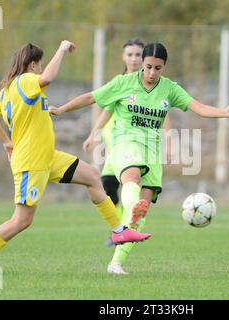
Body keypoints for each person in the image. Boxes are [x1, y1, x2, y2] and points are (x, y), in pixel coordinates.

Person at [49, 42, 229, 274]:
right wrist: (61, 109)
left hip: (153, 152)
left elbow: (198, 108)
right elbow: (91, 98)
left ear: (164, 67)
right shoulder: (124, 83)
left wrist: (225, 112)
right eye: (149, 67)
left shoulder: (170, 89)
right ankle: (132, 208)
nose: (152, 73)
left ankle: (116, 263)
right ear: (142, 63)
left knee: (140, 216)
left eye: (158, 68)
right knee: (131, 176)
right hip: (125, 142)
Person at [0, 41, 151, 275]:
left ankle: (118, 230)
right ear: (32, 64)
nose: (41, 69)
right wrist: (61, 49)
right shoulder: (26, 80)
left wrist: (6, 141)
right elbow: (47, 78)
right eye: (39, 64)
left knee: (92, 175)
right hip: (31, 162)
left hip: (48, 157)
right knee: (22, 220)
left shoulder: (7, 90)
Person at [82, 39, 174, 275]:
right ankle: (119, 228)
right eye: (130, 55)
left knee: (129, 187)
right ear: (124, 58)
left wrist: (169, 140)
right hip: (118, 142)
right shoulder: (120, 83)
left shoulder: (162, 88)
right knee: (110, 188)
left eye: (136, 54)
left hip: (143, 145)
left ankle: (122, 231)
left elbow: (163, 112)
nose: (133, 59)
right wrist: (94, 133)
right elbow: (107, 108)